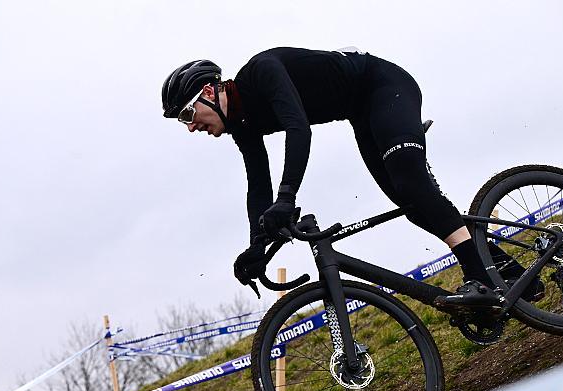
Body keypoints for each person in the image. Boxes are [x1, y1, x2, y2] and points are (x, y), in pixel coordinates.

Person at [161, 46, 503, 310]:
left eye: (188, 114)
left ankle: (479, 278)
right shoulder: (241, 124)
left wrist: (287, 198)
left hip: (384, 86)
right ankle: (505, 268)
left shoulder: (261, 71)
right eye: (183, 122)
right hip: (359, 112)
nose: (191, 126)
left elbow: (299, 129)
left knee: (409, 181)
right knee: (412, 204)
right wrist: (256, 246)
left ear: (209, 91)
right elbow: (257, 182)